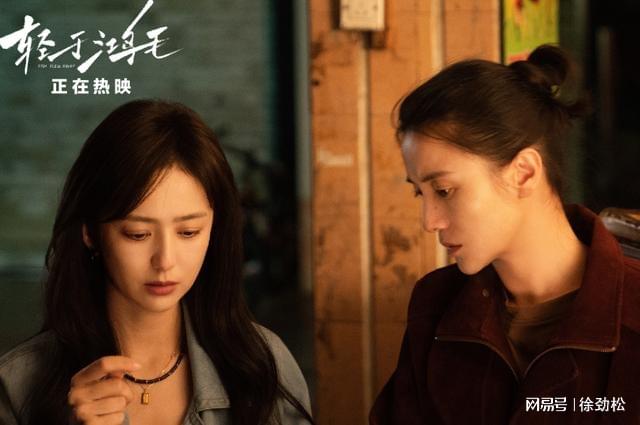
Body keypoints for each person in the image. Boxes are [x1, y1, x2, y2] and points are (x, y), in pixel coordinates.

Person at [370, 45, 640, 424]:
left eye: (444, 190)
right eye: (420, 193)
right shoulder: (435, 304)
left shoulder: (632, 311)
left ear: (524, 173)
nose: (429, 221)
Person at [0, 100, 313, 425]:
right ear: (90, 233)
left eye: (188, 232)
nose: (165, 261)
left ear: (215, 229)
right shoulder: (17, 385)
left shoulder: (265, 367)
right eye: (137, 234)